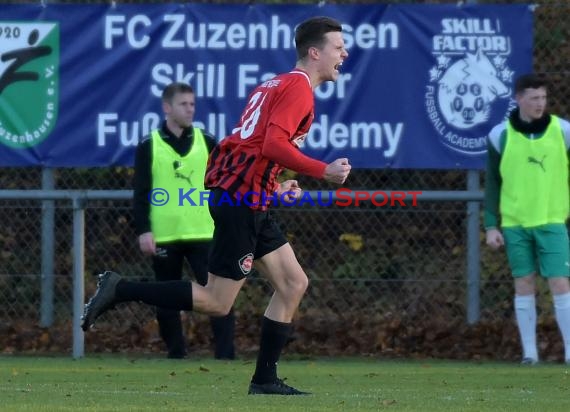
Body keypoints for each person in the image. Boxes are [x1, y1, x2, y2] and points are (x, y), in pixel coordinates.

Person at [81, 16, 351, 395]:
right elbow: (272, 146)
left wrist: (276, 184)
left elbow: (253, 146)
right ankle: (120, 288)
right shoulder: (299, 89)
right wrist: (322, 171)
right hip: (239, 201)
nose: (345, 53)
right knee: (216, 302)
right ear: (314, 52)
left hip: (248, 197)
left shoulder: (276, 83)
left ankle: (265, 380)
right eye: (338, 47)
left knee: (292, 284)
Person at [133, 82, 235, 360]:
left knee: (219, 295)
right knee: (166, 296)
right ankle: (176, 353)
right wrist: (144, 230)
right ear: (167, 107)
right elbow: (141, 193)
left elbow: (224, 183)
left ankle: (226, 356)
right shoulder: (149, 145)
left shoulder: (207, 140)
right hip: (165, 234)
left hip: (204, 232)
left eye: (192, 104)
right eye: (183, 104)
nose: (190, 109)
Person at [484, 74, 570, 365]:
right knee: (524, 283)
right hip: (515, 223)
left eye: (543, 98)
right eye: (534, 98)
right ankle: (530, 354)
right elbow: (493, 183)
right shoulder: (500, 135)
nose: (540, 104)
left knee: (560, 283)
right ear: (519, 98)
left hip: (552, 220)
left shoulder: (563, 131)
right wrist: (490, 224)